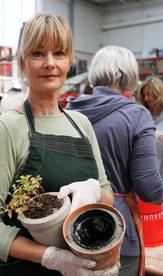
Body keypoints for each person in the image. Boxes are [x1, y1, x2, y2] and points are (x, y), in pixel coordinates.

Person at [0, 14, 117, 275]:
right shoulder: (9, 127)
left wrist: (93, 192)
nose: (50, 63)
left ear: (70, 61)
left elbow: (108, 196)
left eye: (59, 53)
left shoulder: (81, 123)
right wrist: (50, 256)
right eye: (38, 53)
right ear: (22, 62)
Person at [66, 46, 163, 276]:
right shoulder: (136, 115)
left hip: (70, 226)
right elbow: (148, 188)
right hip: (116, 230)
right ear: (128, 77)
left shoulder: (69, 111)